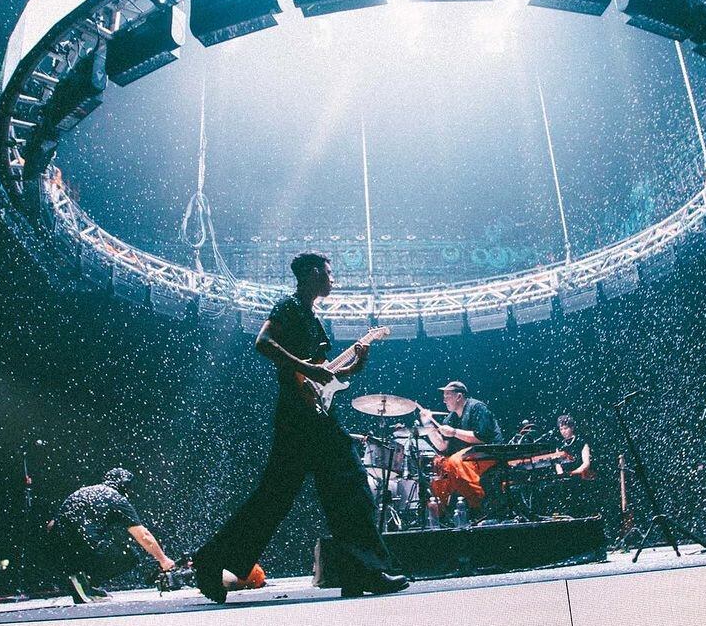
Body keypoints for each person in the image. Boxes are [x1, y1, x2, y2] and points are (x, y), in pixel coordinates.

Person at [191, 253, 409, 602]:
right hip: (297, 417)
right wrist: (305, 369)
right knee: (305, 493)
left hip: (315, 416)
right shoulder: (288, 308)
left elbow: (328, 376)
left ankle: (360, 571)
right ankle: (212, 560)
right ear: (311, 274)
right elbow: (263, 343)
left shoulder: (314, 321)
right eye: (328, 271)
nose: (333, 279)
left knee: (338, 488)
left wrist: (354, 367)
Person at [47, 467, 175, 604]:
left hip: (58, 550)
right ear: (124, 485)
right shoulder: (116, 498)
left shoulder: (82, 492)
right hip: (85, 546)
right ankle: (85, 580)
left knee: (88, 543)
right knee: (130, 556)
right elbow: (143, 535)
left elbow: (51, 525)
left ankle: (81, 584)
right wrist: (163, 560)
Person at [420, 381, 503, 516]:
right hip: (468, 458)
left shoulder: (477, 408)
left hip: (488, 452)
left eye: (447, 395)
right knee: (439, 465)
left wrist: (453, 432)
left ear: (459, 396)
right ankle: (443, 515)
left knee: (455, 462)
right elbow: (443, 446)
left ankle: (482, 507)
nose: (444, 399)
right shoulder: (450, 418)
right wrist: (428, 425)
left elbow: (483, 438)